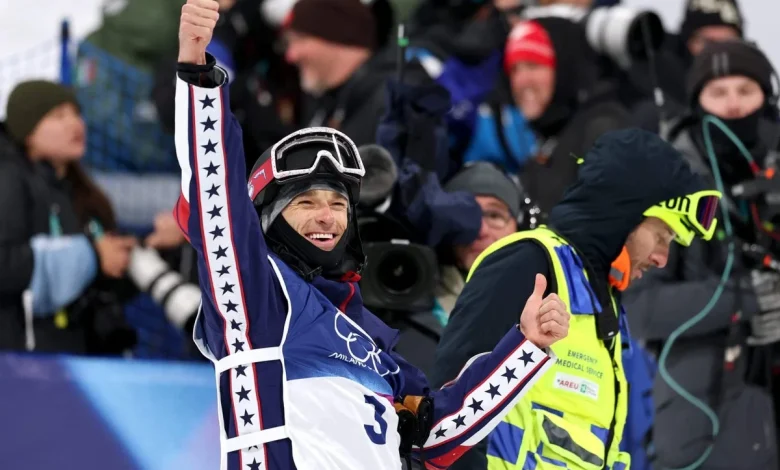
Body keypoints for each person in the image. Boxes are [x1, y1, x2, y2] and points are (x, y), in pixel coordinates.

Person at [173, 2, 571, 469]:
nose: (328, 217)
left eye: (339, 204)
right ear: (270, 218)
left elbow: (441, 436)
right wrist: (198, 75)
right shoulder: (259, 299)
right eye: (306, 203)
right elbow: (215, 199)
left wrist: (526, 346)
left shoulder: (371, 345)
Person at [432, 128, 721, 469]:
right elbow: (450, 421)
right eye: (660, 236)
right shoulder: (529, 264)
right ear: (623, 217)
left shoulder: (603, 305)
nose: (662, 259)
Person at [623, 39, 780, 469]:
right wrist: (748, 297)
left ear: (768, 97)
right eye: (718, 93)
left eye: (746, 91)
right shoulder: (665, 188)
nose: (732, 106)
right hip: (703, 408)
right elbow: (641, 307)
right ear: (697, 104)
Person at [0, 81, 137, 354]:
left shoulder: (81, 191)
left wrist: (127, 260)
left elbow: (97, 285)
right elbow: (5, 264)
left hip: (75, 362)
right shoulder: (9, 178)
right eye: (58, 116)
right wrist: (94, 257)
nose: (75, 124)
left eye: (76, 114)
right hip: (23, 364)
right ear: (27, 130)